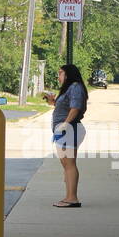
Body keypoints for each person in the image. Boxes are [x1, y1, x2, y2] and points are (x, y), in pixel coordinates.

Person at [42, 63, 88, 207]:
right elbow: (66, 107)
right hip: (65, 131)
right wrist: (53, 102)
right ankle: (68, 197)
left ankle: (72, 198)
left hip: (70, 130)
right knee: (66, 165)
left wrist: (65, 124)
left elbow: (75, 108)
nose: (58, 76)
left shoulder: (75, 86)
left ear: (68, 74)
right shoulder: (70, 88)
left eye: (61, 73)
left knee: (69, 164)